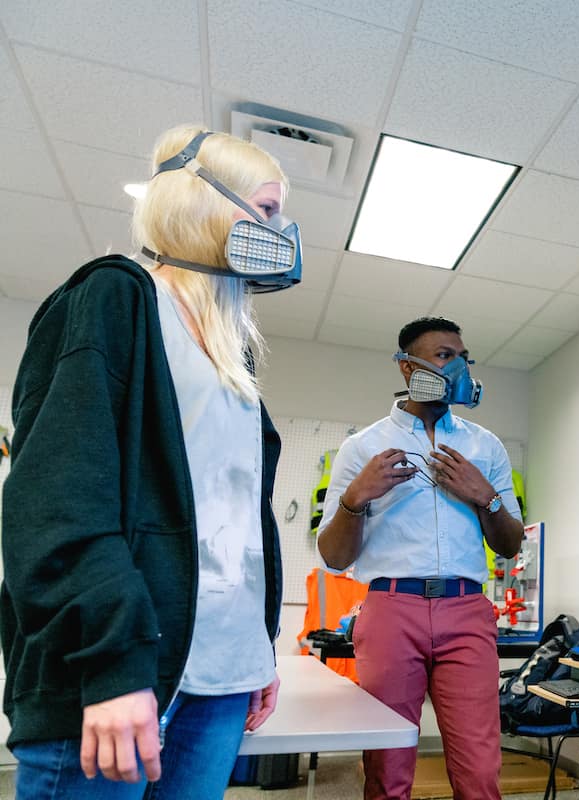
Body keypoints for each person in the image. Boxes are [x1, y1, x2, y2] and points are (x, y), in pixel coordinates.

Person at [1, 124, 303, 798]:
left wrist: (256, 649)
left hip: (220, 675)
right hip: (119, 671)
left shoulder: (235, 360)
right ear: (201, 202)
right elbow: (56, 506)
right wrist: (112, 663)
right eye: (267, 209)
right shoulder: (115, 299)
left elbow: (236, 523)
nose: (282, 232)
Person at [317, 316, 524, 800]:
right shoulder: (362, 447)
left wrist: (485, 496)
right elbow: (332, 556)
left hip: (467, 611)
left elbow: (510, 543)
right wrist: (355, 498)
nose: (459, 367)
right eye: (444, 356)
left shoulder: (485, 446)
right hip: (391, 610)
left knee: (479, 772)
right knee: (386, 771)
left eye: (463, 357)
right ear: (409, 369)